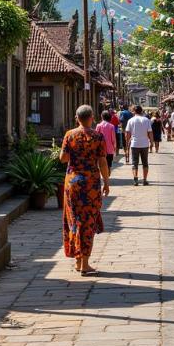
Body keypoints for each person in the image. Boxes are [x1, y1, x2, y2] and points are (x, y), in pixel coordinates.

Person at [60, 105, 111, 276]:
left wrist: (75, 155)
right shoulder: (97, 136)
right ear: (91, 118)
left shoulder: (70, 135)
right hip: (90, 183)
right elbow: (102, 162)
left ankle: (77, 260)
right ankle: (85, 263)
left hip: (72, 182)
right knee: (88, 220)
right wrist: (107, 182)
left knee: (74, 220)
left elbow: (63, 158)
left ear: (77, 118)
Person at [125, 105, 153, 186]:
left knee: (134, 162)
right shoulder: (146, 120)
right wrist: (151, 142)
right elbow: (150, 132)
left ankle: (136, 179)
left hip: (134, 143)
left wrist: (127, 144)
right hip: (145, 144)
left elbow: (127, 133)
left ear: (134, 111)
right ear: (141, 111)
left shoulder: (131, 120)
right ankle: (144, 180)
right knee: (145, 163)